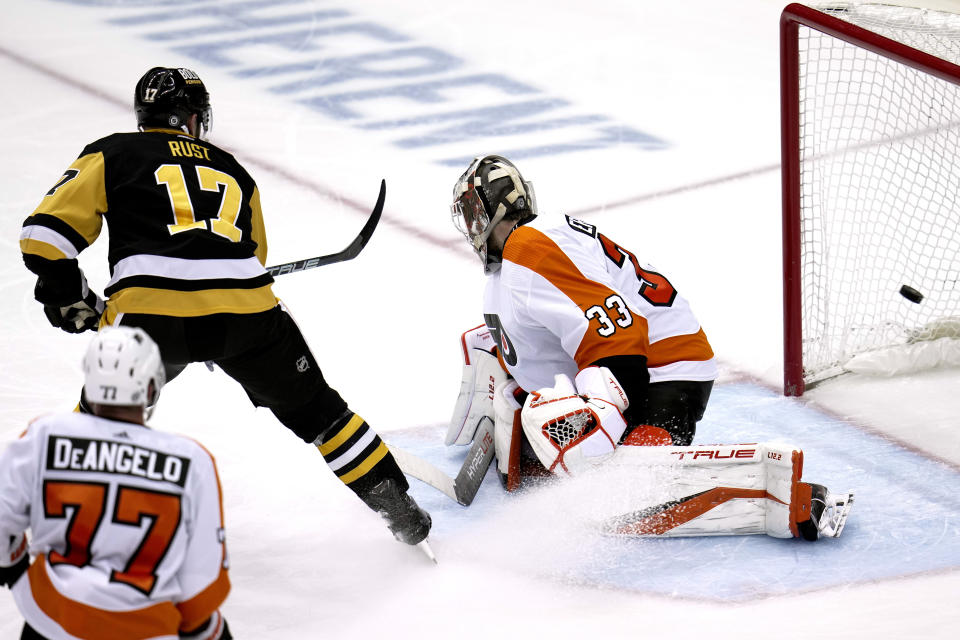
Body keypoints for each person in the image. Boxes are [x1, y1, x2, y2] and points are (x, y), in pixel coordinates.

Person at [18, 66, 430, 547]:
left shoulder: (112, 153)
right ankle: (402, 513)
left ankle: (66, 515)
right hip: (247, 317)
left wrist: (72, 298)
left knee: (106, 411)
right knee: (321, 412)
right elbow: (254, 258)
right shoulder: (234, 169)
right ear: (192, 118)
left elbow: (42, 238)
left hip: (150, 319)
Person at [444, 155, 854, 542]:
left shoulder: (527, 248)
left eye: (472, 213)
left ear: (490, 211)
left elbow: (617, 333)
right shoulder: (508, 271)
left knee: (613, 501)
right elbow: (548, 335)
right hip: (634, 363)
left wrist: (601, 417)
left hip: (665, 370)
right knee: (551, 460)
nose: (470, 226)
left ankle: (781, 495)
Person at [0, 326, 232, 639]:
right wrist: (205, 629)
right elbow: (200, 581)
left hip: (53, 620)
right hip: (147, 628)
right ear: (151, 389)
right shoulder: (191, 461)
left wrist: (12, 566)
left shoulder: (46, 435)